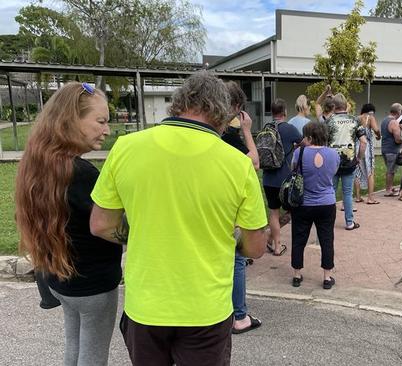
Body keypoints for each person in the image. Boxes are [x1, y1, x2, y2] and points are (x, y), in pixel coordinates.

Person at [89, 71, 268, 366]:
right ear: (222, 114)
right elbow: (256, 246)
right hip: (206, 310)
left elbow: (100, 224)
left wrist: (149, 231)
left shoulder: (126, 148)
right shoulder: (239, 164)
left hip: (146, 307)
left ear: (178, 103)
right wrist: (229, 239)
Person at [15, 82, 122, 366]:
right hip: (93, 285)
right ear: (71, 120)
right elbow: (110, 225)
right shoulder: (81, 172)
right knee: (93, 357)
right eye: (100, 121)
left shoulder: (38, 162)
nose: (107, 130)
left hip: (60, 279)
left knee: (74, 345)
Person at [221, 81, 262, 335]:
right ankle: (239, 316)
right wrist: (247, 130)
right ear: (235, 107)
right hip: (229, 205)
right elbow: (254, 162)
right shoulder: (229, 135)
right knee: (237, 257)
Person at [290, 121, 340, 289]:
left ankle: (297, 275)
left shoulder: (299, 152)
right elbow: (333, 172)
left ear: (309, 136)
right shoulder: (333, 154)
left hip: (303, 203)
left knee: (298, 238)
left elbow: (293, 171)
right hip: (327, 202)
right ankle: (327, 277)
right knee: (327, 239)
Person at [263, 99, 303, 256]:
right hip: (285, 179)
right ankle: (278, 241)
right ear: (285, 112)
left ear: (272, 112)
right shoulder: (290, 129)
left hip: (268, 178)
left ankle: (276, 244)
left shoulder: (266, 128)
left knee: (273, 212)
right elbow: (304, 143)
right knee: (293, 210)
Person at [327, 93, 367, 230]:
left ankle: (328, 222)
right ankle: (349, 222)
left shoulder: (329, 121)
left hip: (331, 162)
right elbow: (363, 142)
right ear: (346, 105)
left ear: (333, 106)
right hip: (349, 161)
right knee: (347, 193)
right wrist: (359, 158)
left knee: (330, 191)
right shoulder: (355, 121)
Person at [354, 103, 381, 204]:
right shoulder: (370, 118)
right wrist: (379, 135)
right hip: (367, 146)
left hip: (357, 145)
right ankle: (370, 198)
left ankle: (357, 196)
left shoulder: (356, 118)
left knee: (357, 172)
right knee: (370, 171)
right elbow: (376, 129)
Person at [380, 103, 402, 196]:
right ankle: (388, 190)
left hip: (385, 148)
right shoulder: (394, 122)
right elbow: (397, 139)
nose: (401, 112)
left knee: (390, 170)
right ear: (398, 112)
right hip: (392, 150)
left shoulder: (384, 120)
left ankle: (390, 187)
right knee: (391, 171)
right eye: (401, 110)